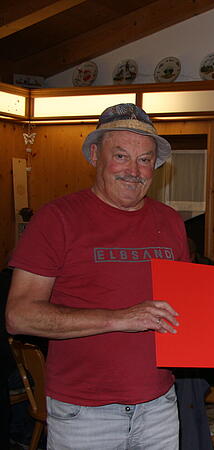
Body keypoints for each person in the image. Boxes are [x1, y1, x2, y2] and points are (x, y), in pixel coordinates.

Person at [5, 103, 190, 449]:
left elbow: (184, 309)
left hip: (160, 405)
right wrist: (119, 319)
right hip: (84, 414)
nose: (134, 171)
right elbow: (19, 316)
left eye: (145, 159)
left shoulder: (170, 222)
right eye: (121, 156)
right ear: (95, 155)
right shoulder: (56, 219)